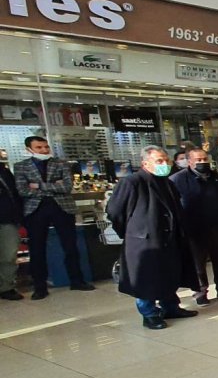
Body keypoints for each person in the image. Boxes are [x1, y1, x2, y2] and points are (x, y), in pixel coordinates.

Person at [106, 145, 200, 329]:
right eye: (159, 161)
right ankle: (149, 314)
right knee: (146, 280)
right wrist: (133, 232)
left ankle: (171, 307)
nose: (164, 164)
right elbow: (115, 211)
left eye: (166, 160)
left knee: (169, 275)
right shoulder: (132, 182)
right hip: (144, 242)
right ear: (145, 163)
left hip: (169, 240)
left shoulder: (167, 182)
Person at [14, 136, 95, 297]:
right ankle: (40, 287)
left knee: (70, 246)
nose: (44, 150)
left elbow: (66, 187)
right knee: (37, 248)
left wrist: (38, 186)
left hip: (62, 208)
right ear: (29, 149)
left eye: (46, 147)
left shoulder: (60, 163)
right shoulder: (21, 166)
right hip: (36, 210)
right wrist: (53, 186)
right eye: (39, 147)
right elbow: (23, 190)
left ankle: (76, 280)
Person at [170, 148, 218, 305]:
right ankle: (200, 292)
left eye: (205, 159)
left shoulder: (216, 177)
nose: (203, 162)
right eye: (198, 160)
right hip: (194, 229)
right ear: (189, 162)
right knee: (198, 264)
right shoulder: (178, 179)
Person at [0, 159, 24, 300]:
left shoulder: (4, 171)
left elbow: (15, 193)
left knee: (8, 254)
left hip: (7, 218)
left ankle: (6, 287)